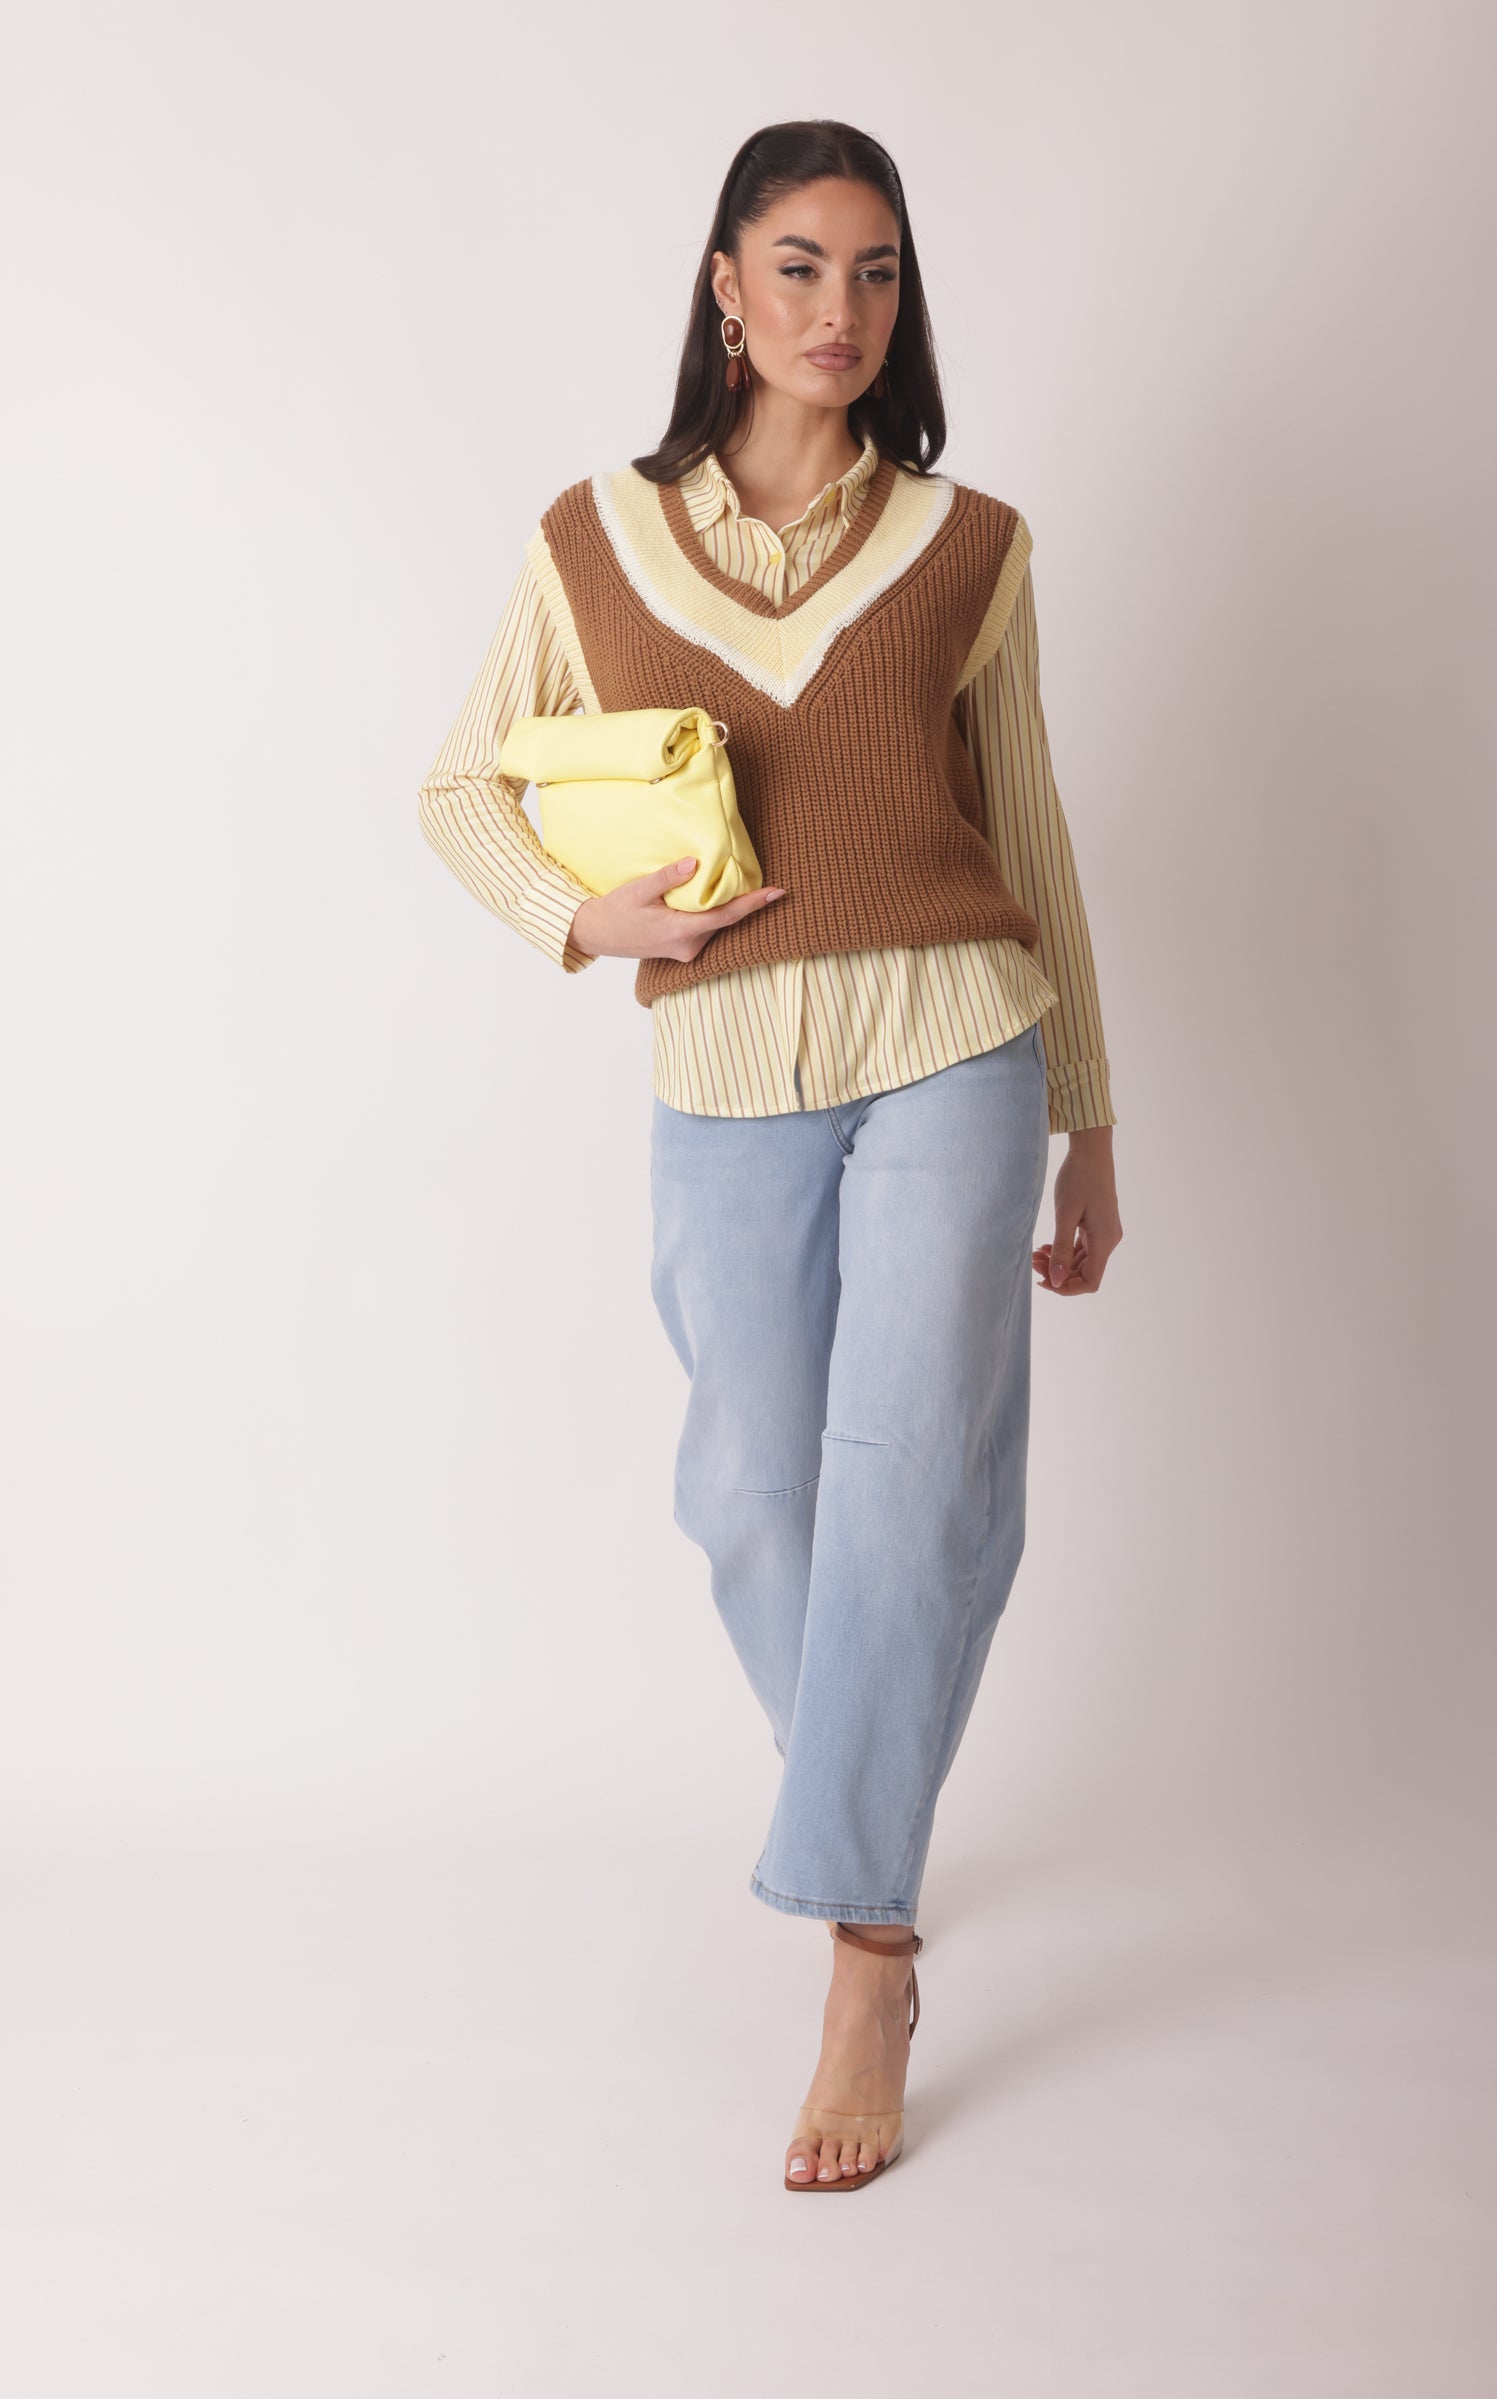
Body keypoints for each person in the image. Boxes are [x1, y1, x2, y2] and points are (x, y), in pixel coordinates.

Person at [417, 119, 1124, 2194]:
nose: (841, 309)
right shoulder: (592, 542)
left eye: (877, 272)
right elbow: (460, 790)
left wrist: (1091, 1121)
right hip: (721, 1059)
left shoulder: (972, 545)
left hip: (957, 1044)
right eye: (800, 266)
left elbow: (1034, 838)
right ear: (725, 288)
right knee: (744, 1487)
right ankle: (875, 1817)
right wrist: (588, 922)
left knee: (911, 1476)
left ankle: (863, 1955)